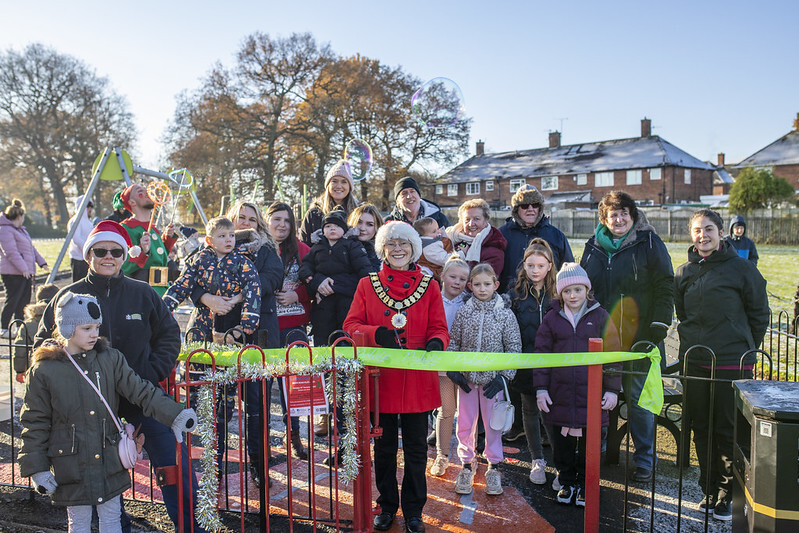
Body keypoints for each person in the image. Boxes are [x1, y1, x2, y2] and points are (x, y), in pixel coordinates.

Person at [34, 220, 205, 533]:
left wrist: (151, 373)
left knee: (173, 464)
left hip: (143, 399)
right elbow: (44, 345)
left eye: (115, 250)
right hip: (92, 409)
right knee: (102, 480)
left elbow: (168, 334)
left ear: (125, 254)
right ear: (88, 255)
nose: (108, 256)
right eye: (100, 250)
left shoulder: (143, 294)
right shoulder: (69, 297)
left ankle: (191, 526)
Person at [19, 291, 198, 533]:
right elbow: (35, 421)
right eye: (87, 328)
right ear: (67, 328)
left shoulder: (109, 358)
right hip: (71, 462)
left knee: (111, 519)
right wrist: (37, 468)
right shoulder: (44, 371)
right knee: (79, 522)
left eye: (96, 327)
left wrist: (174, 414)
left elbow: (140, 390)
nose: (95, 334)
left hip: (108, 458)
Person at [344, 221, 449, 533]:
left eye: (404, 243)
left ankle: (414, 511)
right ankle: (387, 505)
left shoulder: (429, 285)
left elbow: (440, 327)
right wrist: (376, 333)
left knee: (417, 449)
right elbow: (350, 325)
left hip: (417, 378)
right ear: (383, 248)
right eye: (392, 243)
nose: (398, 248)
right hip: (382, 379)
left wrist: (436, 342)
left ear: (414, 247)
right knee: (385, 449)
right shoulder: (367, 284)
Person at [674, 209, 768, 522]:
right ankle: (709, 488)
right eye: (698, 230)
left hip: (730, 365)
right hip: (696, 364)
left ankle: (730, 494)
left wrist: (743, 347)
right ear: (692, 234)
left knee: (729, 431)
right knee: (701, 428)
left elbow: (759, 313)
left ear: (721, 232)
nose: (703, 235)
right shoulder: (684, 271)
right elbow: (683, 314)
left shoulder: (741, 269)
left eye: (709, 229)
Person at [579, 190, 673, 483]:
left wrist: (659, 323)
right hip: (601, 335)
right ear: (603, 219)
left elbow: (665, 283)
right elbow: (582, 286)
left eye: (623, 214)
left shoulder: (648, 242)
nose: (618, 219)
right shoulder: (593, 247)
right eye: (612, 215)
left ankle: (644, 459)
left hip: (640, 335)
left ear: (632, 216)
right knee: (597, 396)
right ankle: (598, 450)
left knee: (638, 399)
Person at [534, 263, 621, 507]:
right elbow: (541, 355)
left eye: (578, 290)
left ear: (587, 290)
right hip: (559, 394)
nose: (573, 296)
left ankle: (586, 483)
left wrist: (612, 389)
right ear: (560, 293)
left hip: (590, 396)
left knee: (589, 446)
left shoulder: (601, 316)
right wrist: (541, 388)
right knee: (562, 445)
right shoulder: (552, 319)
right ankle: (567, 482)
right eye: (567, 291)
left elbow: (613, 354)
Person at [448, 264, 521, 497]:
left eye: (487, 284)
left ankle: (494, 467)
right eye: (477, 284)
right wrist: (454, 369)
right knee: (465, 423)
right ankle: (467, 465)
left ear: (495, 285)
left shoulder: (505, 314)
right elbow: (453, 343)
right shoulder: (463, 312)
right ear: (470, 286)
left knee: (493, 425)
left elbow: (514, 348)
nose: (482, 289)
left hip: (492, 383)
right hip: (467, 381)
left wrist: (503, 377)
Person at [508, 238, 557, 485]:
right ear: (524, 266)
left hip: (553, 365)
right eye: (530, 265)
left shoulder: (559, 292)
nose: (535, 270)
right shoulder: (515, 294)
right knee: (529, 410)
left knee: (551, 413)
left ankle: (560, 463)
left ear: (549, 266)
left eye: (540, 265)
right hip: (526, 363)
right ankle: (537, 460)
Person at [164, 216, 261, 340]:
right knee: (199, 354)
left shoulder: (242, 261)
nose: (228, 240)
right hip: (202, 318)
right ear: (209, 241)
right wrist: (164, 307)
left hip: (231, 319)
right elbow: (182, 284)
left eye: (231, 235)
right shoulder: (199, 260)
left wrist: (249, 320)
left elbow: (253, 288)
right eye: (222, 236)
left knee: (228, 354)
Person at [266, 201, 311, 456]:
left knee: (293, 383)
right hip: (266, 326)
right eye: (277, 219)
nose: (282, 225)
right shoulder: (260, 247)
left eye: (287, 220)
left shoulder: (302, 249)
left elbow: (314, 281)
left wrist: (298, 295)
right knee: (263, 384)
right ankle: (263, 440)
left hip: (294, 324)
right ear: (267, 220)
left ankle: (294, 435)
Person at [299, 210, 372, 346]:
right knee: (323, 328)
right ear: (322, 230)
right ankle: (323, 356)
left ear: (344, 230)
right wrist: (310, 278)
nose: (332, 228)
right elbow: (306, 265)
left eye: (337, 226)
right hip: (323, 299)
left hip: (346, 297)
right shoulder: (317, 247)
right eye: (328, 226)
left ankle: (346, 356)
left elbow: (364, 270)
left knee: (344, 329)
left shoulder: (352, 245)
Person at [429, 258, 470, 478]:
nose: (457, 282)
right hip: (443, 366)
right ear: (442, 276)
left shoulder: (470, 302)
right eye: (453, 277)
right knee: (446, 411)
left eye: (463, 279)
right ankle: (442, 455)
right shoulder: (433, 299)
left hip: (465, 366)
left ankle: (468, 458)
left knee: (467, 414)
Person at [498, 185, 573, 292]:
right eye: (524, 206)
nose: (530, 209)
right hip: (509, 300)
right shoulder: (502, 235)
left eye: (535, 205)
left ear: (540, 208)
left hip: (546, 300)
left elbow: (568, 270)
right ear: (516, 208)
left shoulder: (556, 235)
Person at [119, 183, 178, 296]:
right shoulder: (126, 228)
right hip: (141, 294)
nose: (148, 193)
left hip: (162, 292)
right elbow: (123, 266)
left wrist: (167, 238)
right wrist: (142, 251)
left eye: (147, 191)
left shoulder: (153, 229)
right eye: (140, 192)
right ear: (132, 202)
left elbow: (160, 258)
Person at [0, 199, 48, 338]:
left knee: (23, 301)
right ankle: (3, 328)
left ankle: (20, 327)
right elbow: (10, 252)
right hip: (13, 273)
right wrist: (23, 268)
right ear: (19, 216)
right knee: (13, 299)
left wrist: (42, 263)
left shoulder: (21, 231)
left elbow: (31, 249)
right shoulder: (5, 230)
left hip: (25, 272)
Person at [300, 159, 358, 245]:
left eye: (344, 182)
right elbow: (304, 246)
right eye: (334, 181)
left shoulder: (357, 214)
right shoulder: (314, 214)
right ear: (328, 185)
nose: (339, 186)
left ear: (349, 187)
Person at [446, 199, 507, 277]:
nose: (471, 224)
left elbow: (484, 282)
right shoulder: (450, 239)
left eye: (476, 219)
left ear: (486, 221)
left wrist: (462, 258)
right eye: (467, 220)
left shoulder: (494, 249)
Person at [13, 283, 59, 383]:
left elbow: (20, 348)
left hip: (37, 367)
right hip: (61, 366)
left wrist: (20, 370)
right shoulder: (62, 320)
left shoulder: (28, 324)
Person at [385, 176, 450, 228]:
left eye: (412, 191)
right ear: (397, 201)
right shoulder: (388, 223)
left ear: (419, 196)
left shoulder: (439, 218)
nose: (409, 196)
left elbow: (450, 242)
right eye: (404, 193)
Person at [413, 217, 453, 281]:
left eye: (438, 228)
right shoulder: (429, 247)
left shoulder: (434, 240)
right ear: (424, 236)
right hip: (434, 274)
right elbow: (445, 260)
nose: (439, 231)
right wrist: (460, 253)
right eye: (434, 231)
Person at [347, 203, 384, 272]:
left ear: (377, 227)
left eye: (369, 224)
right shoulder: (340, 245)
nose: (362, 228)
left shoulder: (382, 254)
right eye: (359, 222)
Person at [67, 195, 95, 282]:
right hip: (78, 258)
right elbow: (76, 239)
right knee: (78, 283)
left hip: (87, 258)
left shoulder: (89, 222)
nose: (90, 209)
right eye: (88, 206)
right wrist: (88, 250)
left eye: (91, 207)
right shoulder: (75, 220)